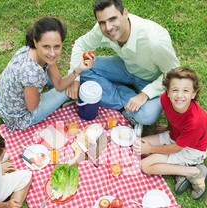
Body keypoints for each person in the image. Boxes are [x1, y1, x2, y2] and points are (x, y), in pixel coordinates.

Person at [66, 0, 180, 134]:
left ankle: (114, 93)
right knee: (80, 71)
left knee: (146, 115)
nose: (108, 28)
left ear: (125, 13)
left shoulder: (154, 41)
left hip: (151, 79)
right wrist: (75, 78)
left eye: (112, 19)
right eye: (102, 22)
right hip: (126, 68)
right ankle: (124, 100)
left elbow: (174, 73)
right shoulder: (103, 29)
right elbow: (81, 44)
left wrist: (145, 95)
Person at [0, 17, 95, 131]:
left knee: (67, 84)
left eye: (57, 46)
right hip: (19, 118)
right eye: (46, 46)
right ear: (35, 42)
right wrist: (38, 87)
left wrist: (79, 69)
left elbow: (59, 84)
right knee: (70, 88)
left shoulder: (29, 50)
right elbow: (32, 107)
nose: (52, 53)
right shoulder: (33, 74)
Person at [132, 67, 207, 200]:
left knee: (145, 165)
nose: (179, 95)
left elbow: (177, 148)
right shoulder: (165, 99)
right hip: (174, 136)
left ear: (193, 94)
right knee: (139, 145)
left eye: (185, 90)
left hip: (191, 150)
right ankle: (175, 168)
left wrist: (151, 149)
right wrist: (168, 128)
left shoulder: (196, 121)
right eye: (175, 90)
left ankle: (194, 172)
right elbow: (172, 116)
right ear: (167, 91)